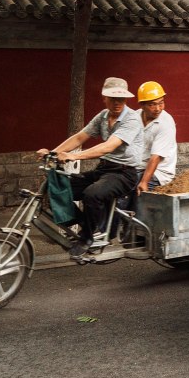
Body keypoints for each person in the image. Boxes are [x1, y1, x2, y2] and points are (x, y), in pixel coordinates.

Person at [40, 76, 148, 258]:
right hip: (104, 169)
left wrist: (74, 156)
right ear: (104, 98)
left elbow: (109, 146)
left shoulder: (132, 119)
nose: (117, 103)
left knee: (92, 194)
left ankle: (87, 238)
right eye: (113, 98)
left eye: (121, 99)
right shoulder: (103, 116)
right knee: (57, 189)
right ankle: (88, 225)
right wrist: (53, 152)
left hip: (124, 173)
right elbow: (79, 137)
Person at [134, 80, 177, 193]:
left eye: (161, 103)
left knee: (129, 186)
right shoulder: (135, 117)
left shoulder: (165, 122)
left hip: (158, 172)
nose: (158, 108)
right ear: (142, 105)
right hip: (137, 167)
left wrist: (144, 182)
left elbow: (156, 157)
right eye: (152, 104)